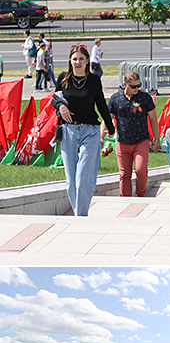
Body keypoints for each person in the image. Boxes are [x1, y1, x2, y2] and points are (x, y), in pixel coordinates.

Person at [53, 43, 114, 217]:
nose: (78, 62)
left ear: (87, 60)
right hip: (68, 132)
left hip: (90, 132)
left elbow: (101, 104)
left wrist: (110, 127)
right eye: (74, 59)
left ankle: (80, 217)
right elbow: (55, 99)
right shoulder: (63, 78)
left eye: (81, 59)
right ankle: (79, 214)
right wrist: (61, 107)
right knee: (71, 181)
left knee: (82, 178)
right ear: (70, 61)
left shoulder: (94, 80)